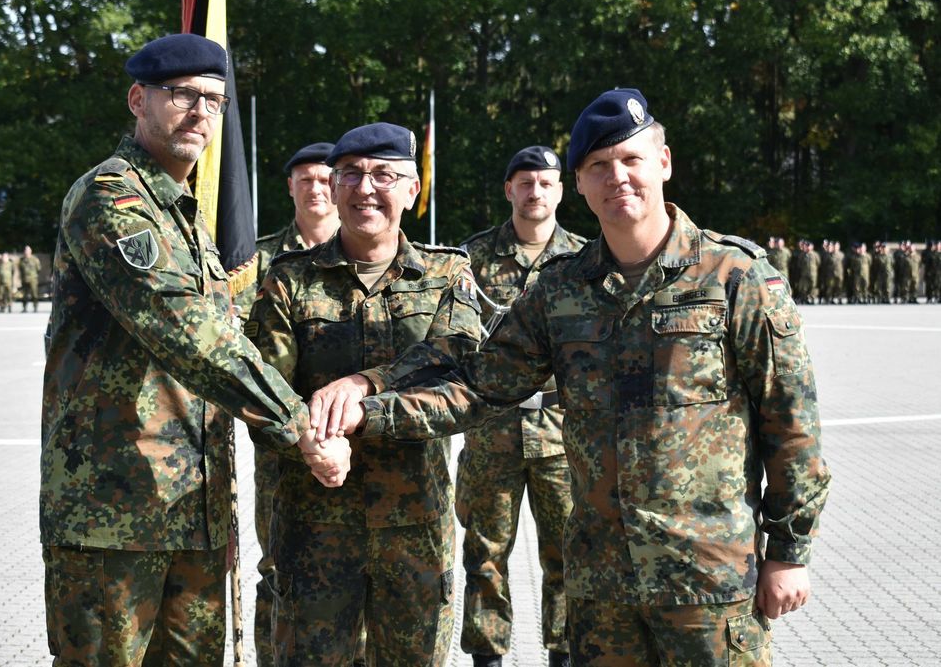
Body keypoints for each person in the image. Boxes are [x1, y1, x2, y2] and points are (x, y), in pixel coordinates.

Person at [317, 89, 831, 665]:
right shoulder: (561, 292)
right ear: (580, 185)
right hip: (602, 592)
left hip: (707, 584)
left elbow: (790, 423)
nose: (618, 178)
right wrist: (371, 405)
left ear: (663, 162)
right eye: (598, 167)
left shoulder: (737, 278)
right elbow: (480, 385)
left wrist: (789, 549)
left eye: (631, 160)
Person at [40, 33, 351, 666]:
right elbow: (187, 332)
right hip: (113, 511)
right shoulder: (113, 198)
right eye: (182, 96)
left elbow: (231, 328)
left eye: (214, 100)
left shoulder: (182, 213)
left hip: (192, 506)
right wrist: (299, 426)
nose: (200, 112)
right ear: (138, 100)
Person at [245, 122, 482, 666]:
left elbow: (462, 383)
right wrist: (309, 438)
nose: (365, 188)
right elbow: (264, 390)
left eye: (383, 175)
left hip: (415, 526)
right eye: (349, 174)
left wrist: (364, 404)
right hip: (313, 526)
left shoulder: (447, 274)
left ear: (412, 189)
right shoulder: (289, 281)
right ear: (332, 184)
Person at [456, 145, 584, 667]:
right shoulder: (471, 258)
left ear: (561, 190)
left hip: (562, 433)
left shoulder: (585, 259)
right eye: (525, 183)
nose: (536, 192)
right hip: (494, 430)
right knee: (485, 556)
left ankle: (565, 654)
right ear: (509, 189)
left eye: (546, 183)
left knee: (568, 557)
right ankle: (488, 657)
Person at [241, 140, 340, 667]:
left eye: (327, 180)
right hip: (281, 448)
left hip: (351, 441)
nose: (318, 190)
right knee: (279, 569)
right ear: (290, 187)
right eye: (307, 181)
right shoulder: (255, 260)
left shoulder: (368, 253)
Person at [19, 245, 42, 312]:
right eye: (25, 250)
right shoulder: (21, 260)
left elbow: (38, 269)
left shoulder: (35, 259)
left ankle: (35, 307)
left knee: (34, 294)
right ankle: (24, 308)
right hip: (25, 279)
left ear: (31, 251)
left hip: (33, 279)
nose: (27, 252)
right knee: (24, 295)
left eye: (28, 250)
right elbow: (20, 269)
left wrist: (33, 276)